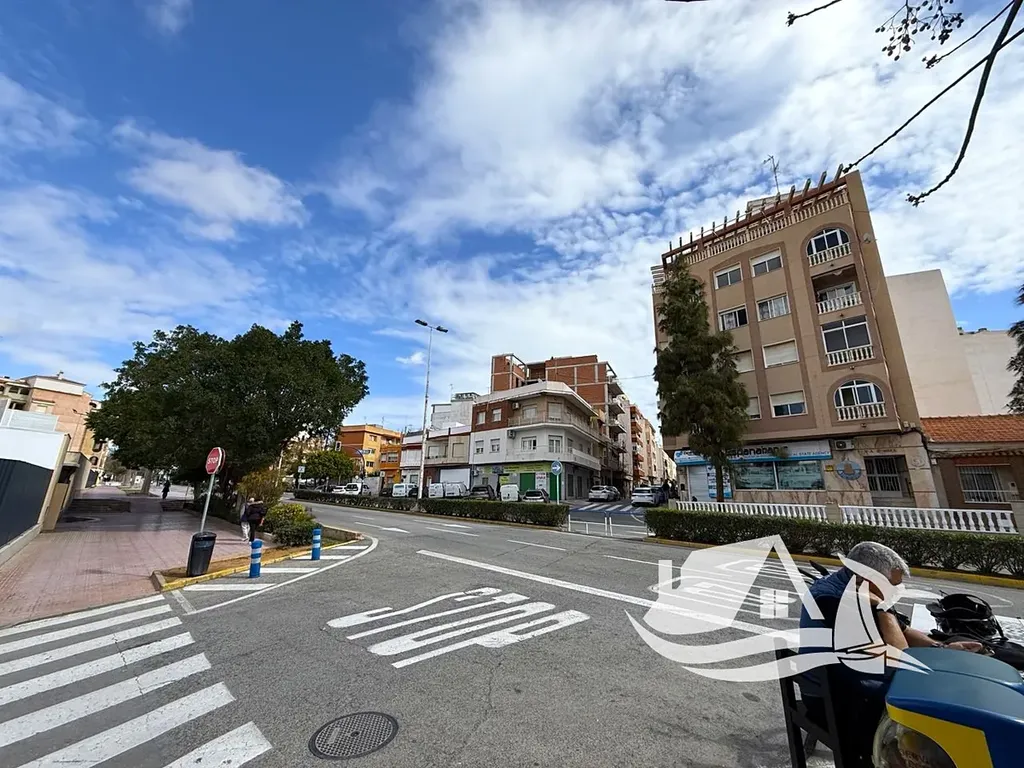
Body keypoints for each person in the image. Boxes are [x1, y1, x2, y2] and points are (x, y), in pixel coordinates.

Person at [798, 541, 981, 766]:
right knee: (926, 714)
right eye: (891, 586)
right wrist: (883, 608)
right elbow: (900, 655)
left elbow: (902, 630)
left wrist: (941, 648)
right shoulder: (834, 601)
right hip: (832, 701)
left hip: (850, 685)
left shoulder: (856, 589)